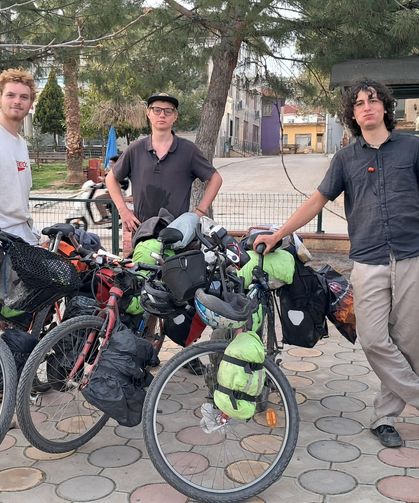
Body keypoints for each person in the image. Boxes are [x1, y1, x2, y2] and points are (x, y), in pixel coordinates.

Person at [254, 80, 419, 448]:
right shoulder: (346, 158)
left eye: (373, 101)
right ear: (353, 114)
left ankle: (385, 417)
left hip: (412, 257)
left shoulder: (412, 147)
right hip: (369, 260)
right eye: (359, 103)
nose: (367, 107)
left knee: (409, 343)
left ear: (385, 107)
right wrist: (279, 233)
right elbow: (316, 201)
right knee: (374, 339)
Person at [105, 92, 222, 233]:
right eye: (157, 110)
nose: (162, 115)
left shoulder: (189, 150)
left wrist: (198, 213)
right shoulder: (135, 149)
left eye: (168, 111)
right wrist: (123, 210)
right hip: (143, 233)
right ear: (148, 113)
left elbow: (216, 179)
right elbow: (110, 178)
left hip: (178, 233)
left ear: (175, 116)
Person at [0, 68, 39, 245]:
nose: (17, 101)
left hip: (21, 241)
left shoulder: (21, 144)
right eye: (10, 95)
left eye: (24, 97)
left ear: (31, 104)